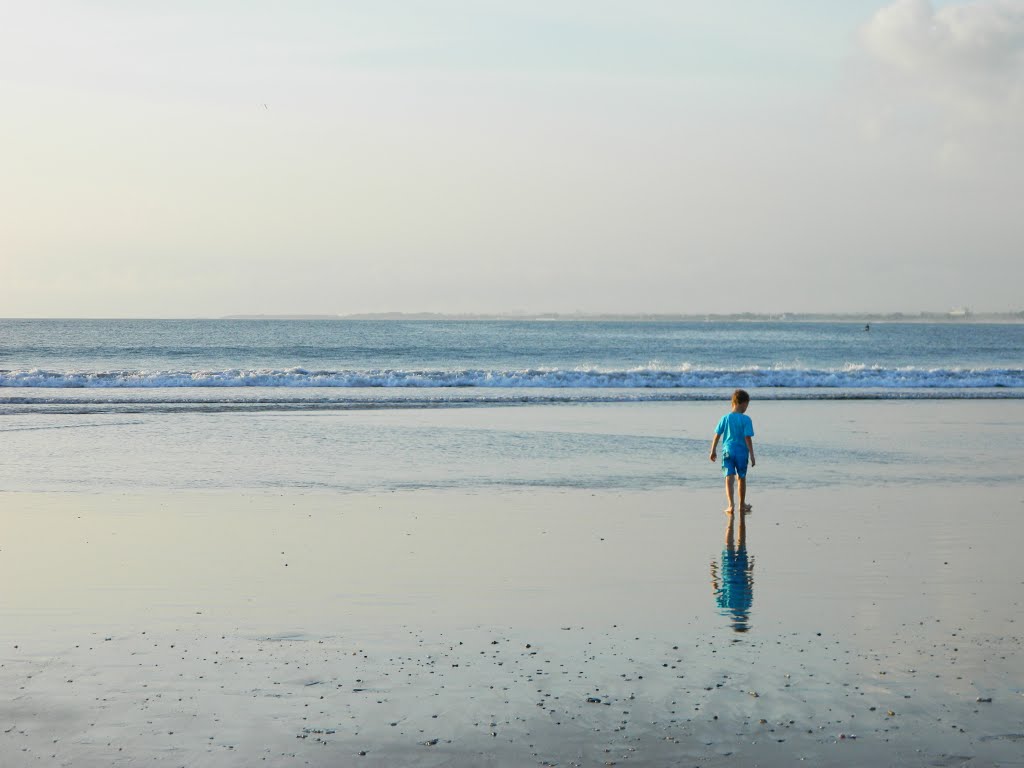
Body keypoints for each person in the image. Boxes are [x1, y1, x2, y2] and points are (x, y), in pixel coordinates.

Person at [709, 389, 755, 515]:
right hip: (742, 453)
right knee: (741, 478)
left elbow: (717, 435)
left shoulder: (725, 418)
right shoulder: (746, 419)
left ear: (733, 403)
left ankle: (730, 505)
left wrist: (712, 450)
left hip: (728, 451)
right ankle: (741, 504)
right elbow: (747, 438)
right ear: (744, 403)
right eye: (747, 405)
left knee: (729, 477)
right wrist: (752, 454)